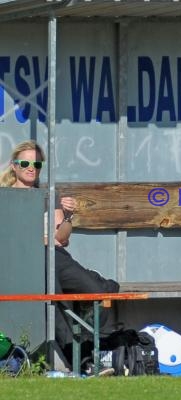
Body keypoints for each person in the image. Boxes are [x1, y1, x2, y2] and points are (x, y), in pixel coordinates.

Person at [0, 140, 119, 369]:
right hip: (24, 262)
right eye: (24, 162)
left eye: (36, 163)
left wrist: (67, 216)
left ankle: (93, 353)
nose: (31, 167)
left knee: (95, 293)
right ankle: (83, 361)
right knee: (56, 298)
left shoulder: (48, 195)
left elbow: (61, 238)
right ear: (14, 166)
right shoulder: (5, 196)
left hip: (53, 255)